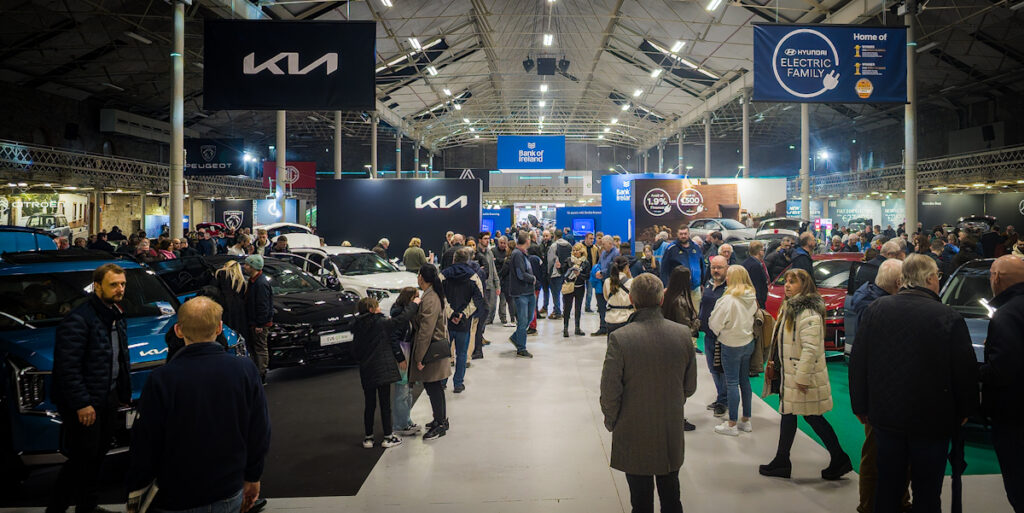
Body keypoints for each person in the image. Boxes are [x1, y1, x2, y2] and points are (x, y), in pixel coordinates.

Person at [850, 255, 977, 512]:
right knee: (928, 492)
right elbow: (964, 370)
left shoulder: (876, 309)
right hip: (932, 420)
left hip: (885, 416)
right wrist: (965, 410)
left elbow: (858, 360)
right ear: (931, 278)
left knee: (887, 486)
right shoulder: (948, 316)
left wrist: (860, 405)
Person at [126, 297, 270, 513]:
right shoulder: (244, 370)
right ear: (219, 328)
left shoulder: (162, 379)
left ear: (178, 331)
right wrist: (253, 476)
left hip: (177, 496)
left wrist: (137, 489)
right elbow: (259, 430)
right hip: (229, 491)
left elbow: (145, 443)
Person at [600, 273, 697, 513]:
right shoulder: (682, 334)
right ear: (661, 299)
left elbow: (610, 390)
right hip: (669, 427)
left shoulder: (620, 338)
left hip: (633, 428)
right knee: (672, 495)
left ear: (632, 300)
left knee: (640, 501)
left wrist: (612, 420)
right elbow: (690, 385)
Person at [48, 264, 131, 513]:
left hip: (106, 397)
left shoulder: (114, 314)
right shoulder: (79, 319)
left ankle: (87, 505)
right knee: (81, 459)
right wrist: (82, 403)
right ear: (97, 287)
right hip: (85, 404)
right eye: (113, 284)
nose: (120, 289)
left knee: (97, 455)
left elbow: (118, 358)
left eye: (123, 284)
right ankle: (55, 509)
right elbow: (67, 367)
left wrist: (120, 394)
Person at [759, 268, 852, 481]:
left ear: (805, 285)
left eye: (793, 282)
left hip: (801, 375)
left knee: (811, 416)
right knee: (794, 414)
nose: (788, 285)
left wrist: (801, 377)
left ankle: (837, 458)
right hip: (790, 372)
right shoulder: (790, 308)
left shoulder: (807, 312)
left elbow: (811, 348)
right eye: (787, 281)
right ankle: (784, 460)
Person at [981, 255, 1024, 511]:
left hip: (1014, 417)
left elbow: (1002, 371)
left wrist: (976, 370)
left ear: (996, 278)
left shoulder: (1006, 315)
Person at [351, 295, 420, 449]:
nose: (380, 308)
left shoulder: (357, 327)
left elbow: (355, 352)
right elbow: (402, 319)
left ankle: (368, 438)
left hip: (367, 370)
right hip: (383, 369)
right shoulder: (381, 323)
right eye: (377, 306)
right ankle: (388, 437)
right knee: (384, 404)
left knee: (369, 405)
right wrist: (414, 305)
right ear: (371, 309)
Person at [708, 265, 758, 436]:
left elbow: (714, 324)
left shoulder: (728, 300)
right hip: (748, 343)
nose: (726, 278)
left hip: (731, 345)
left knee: (731, 383)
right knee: (745, 382)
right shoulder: (752, 296)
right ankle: (746, 420)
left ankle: (731, 424)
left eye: (728, 275)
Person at [411, 264, 452, 440]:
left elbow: (425, 331)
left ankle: (440, 423)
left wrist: (419, 357)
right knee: (434, 387)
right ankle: (440, 419)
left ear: (421, 277)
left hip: (431, 351)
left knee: (433, 386)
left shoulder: (429, 299)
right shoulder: (433, 295)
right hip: (435, 348)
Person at [442, 247, 487, 393]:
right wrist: (463, 314)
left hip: (446, 323)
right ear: (467, 260)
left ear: (454, 259)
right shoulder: (474, 277)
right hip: (464, 322)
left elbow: (439, 296)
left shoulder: (443, 275)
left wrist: (451, 313)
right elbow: (478, 298)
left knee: (444, 353)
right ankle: (458, 384)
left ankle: (442, 381)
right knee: (462, 354)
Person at [699, 256, 730, 418]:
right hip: (708, 336)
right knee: (713, 369)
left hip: (723, 337)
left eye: (719, 267)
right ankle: (721, 397)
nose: (716, 271)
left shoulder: (730, 287)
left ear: (727, 268)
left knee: (723, 370)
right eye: (713, 267)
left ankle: (724, 401)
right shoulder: (710, 284)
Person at [389, 288, 422, 437]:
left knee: (408, 390)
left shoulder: (405, 314)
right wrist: (400, 358)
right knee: (402, 391)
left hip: (407, 351)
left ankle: (406, 421)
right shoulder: (399, 315)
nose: (418, 300)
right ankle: (399, 424)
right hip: (402, 353)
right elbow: (393, 339)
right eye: (416, 298)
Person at [243, 255, 273, 384]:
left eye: (247, 265)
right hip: (255, 322)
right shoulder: (254, 280)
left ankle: (261, 375)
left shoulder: (260, 283)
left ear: (253, 267)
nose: (245, 267)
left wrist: (260, 324)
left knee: (260, 349)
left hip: (260, 323)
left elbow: (263, 305)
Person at [202, 259, 250, 337]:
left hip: (224, 308)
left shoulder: (220, 273)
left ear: (226, 265)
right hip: (239, 311)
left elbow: (212, 289)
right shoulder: (242, 281)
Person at [508, 233, 536, 358]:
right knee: (523, 320)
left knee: (528, 319)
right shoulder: (517, 254)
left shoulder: (523, 253)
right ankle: (521, 348)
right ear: (527, 240)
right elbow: (521, 274)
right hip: (521, 293)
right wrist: (533, 279)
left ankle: (516, 338)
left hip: (529, 292)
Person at [590, 235, 620, 336]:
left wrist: (602, 273)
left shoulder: (616, 254)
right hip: (601, 283)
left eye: (604, 244)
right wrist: (598, 271)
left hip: (611, 283)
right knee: (601, 306)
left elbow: (613, 268)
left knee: (610, 306)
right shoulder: (603, 253)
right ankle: (602, 327)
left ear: (610, 244)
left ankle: (610, 327)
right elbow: (598, 264)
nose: (602, 245)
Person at [561, 242, 591, 338]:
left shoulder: (586, 263)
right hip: (569, 287)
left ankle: (577, 328)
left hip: (580, 288)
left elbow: (587, 276)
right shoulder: (568, 260)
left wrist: (579, 275)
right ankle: (565, 328)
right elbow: (562, 272)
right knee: (567, 308)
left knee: (578, 308)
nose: (575, 252)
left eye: (577, 250)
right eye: (573, 250)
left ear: (582, 251)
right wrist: (559, 267)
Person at [546, 229, 573, 320]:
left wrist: (548, 271)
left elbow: (550, 260)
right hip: (567, 273)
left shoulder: (554, 246)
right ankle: (566, 311)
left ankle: (557, 312)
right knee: (565, 293)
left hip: (556, 273)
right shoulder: (569, 245)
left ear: (555, 236)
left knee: (555, 293)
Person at [604, 256, 634, 334]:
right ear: (626, 267)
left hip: (611, 319)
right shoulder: (632, 282)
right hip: (627, 319)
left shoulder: (607, 281)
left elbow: (606, 298)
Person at [741, 241, 770, 308]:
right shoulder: (755, 266)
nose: (763, 252)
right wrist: (759, 302)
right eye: (763, 250)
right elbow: (756, 285)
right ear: (759, 252)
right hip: (755, 302)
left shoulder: (745, 262)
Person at [584, 232, 599, 312]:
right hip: (581, 272)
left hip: (591, 272)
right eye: (590, 238)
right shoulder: (580, 247)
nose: (592, 240)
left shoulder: (595, 249)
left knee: (590, 292)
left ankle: (587, 306)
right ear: (586, 238)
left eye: (593, 239)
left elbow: (597, 260)